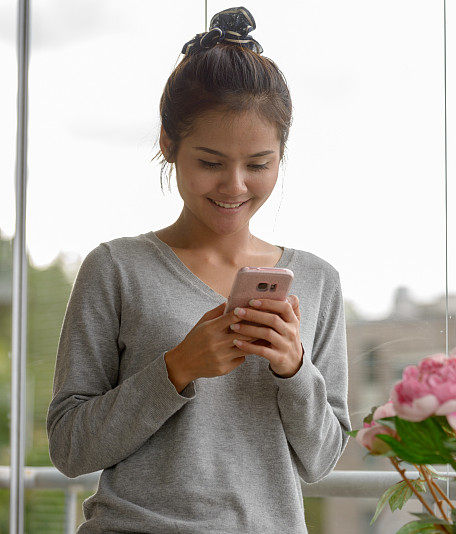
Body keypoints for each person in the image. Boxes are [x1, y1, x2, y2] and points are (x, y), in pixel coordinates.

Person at [45, 7, 351, 533]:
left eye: (258, 164)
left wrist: (294, 371)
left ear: (282, 154)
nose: (234, 185)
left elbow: (320, 459)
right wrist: (176, 369)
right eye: (211, 162)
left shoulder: (318, 282)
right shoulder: (117, 269)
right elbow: (70, 447)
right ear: (169, 144)